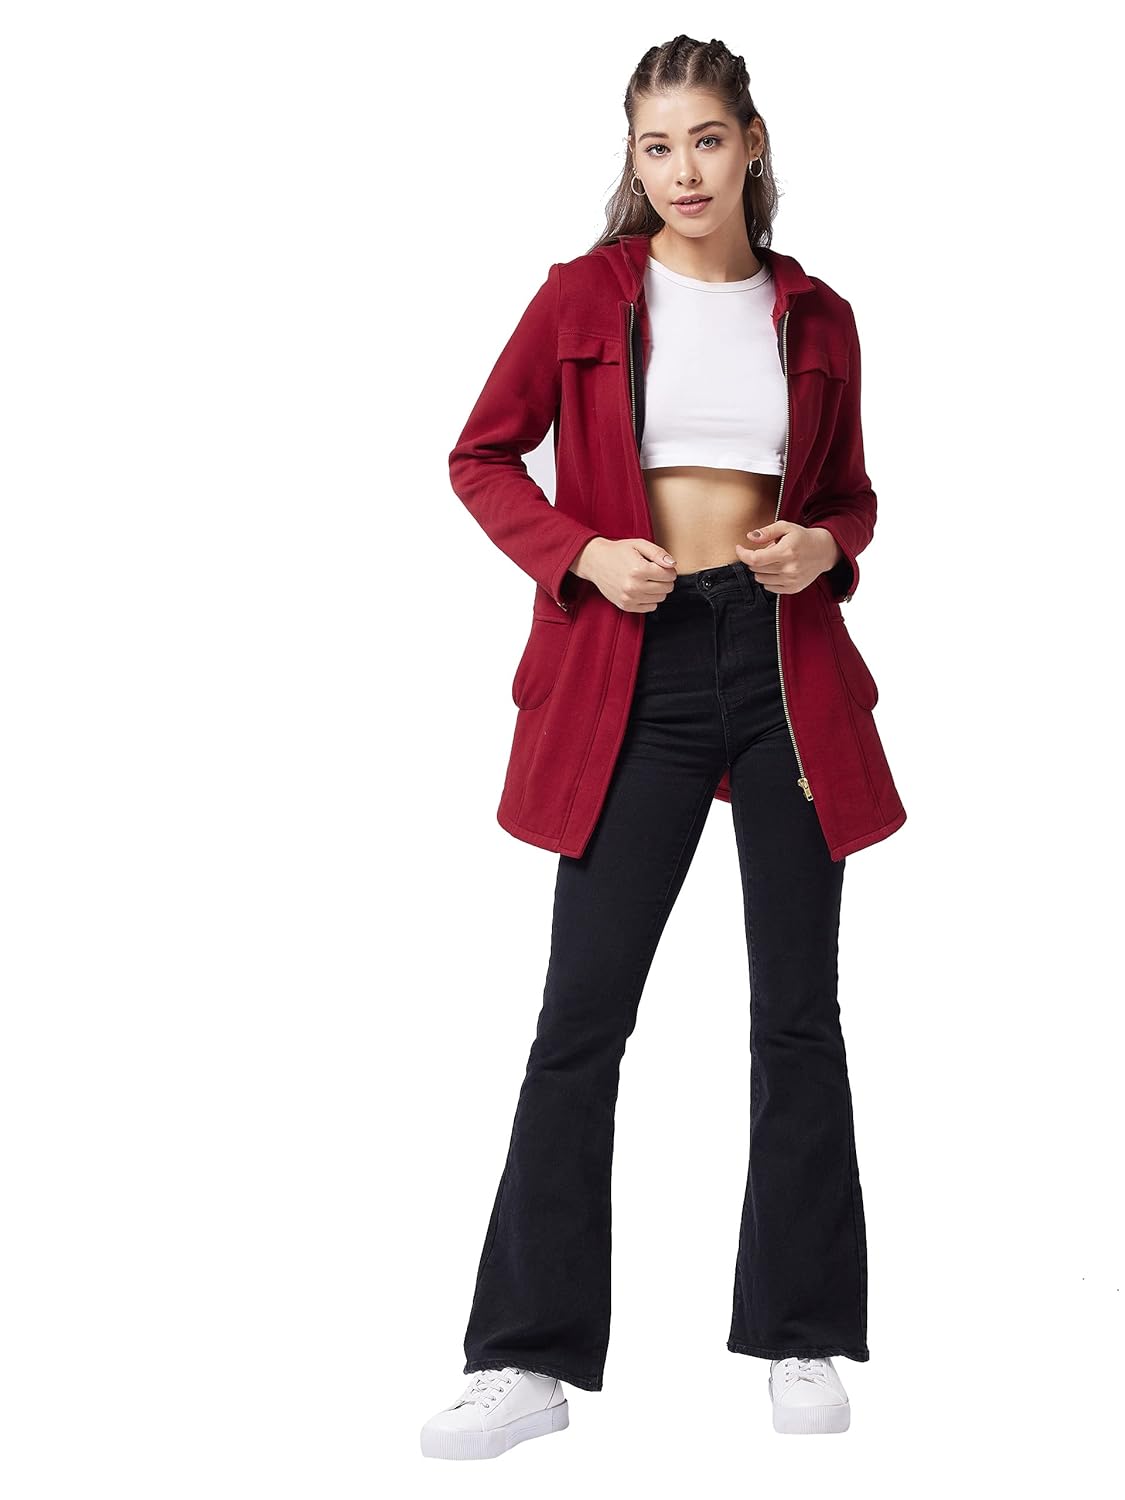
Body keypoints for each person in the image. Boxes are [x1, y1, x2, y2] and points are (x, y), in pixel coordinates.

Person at [421, 33, 906, 1458]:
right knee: (581, 1016)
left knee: (796, 1013)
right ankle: (524, 1361)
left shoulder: (817, 316)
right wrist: (580, 555)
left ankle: (803, 1332)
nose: (682, 171)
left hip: (782, 667)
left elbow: (853, 497)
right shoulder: (582, 295)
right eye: (655, 146)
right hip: (631, 671)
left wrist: (825, 547)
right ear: (631, 160)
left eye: (704, 139)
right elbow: (479, 455)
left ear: (750, 143)